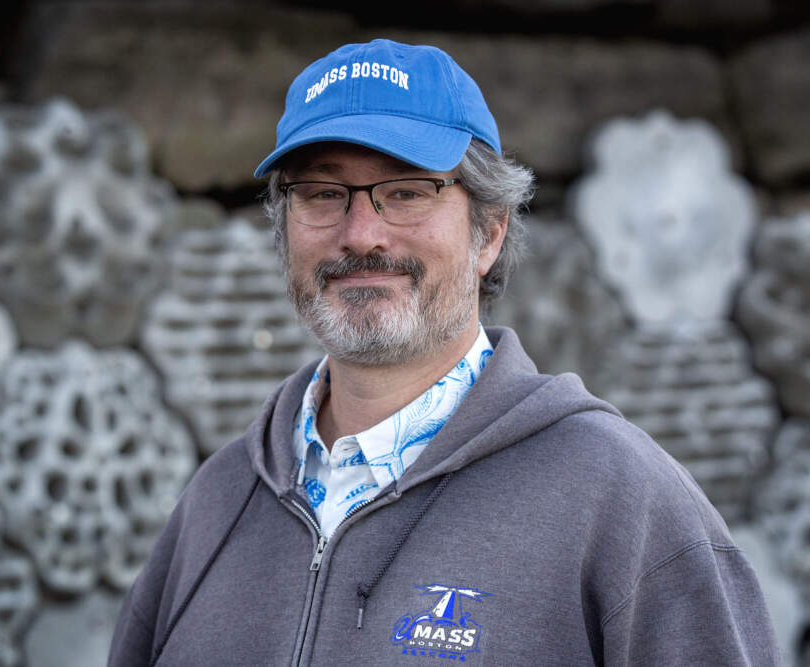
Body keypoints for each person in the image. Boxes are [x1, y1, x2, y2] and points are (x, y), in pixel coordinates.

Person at [109, 39, 780, 666]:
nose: (361, 233)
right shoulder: (217, 501)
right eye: (321, 192)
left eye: (406, 190)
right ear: (284, 230)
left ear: (488, 232)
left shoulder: (624, 502)